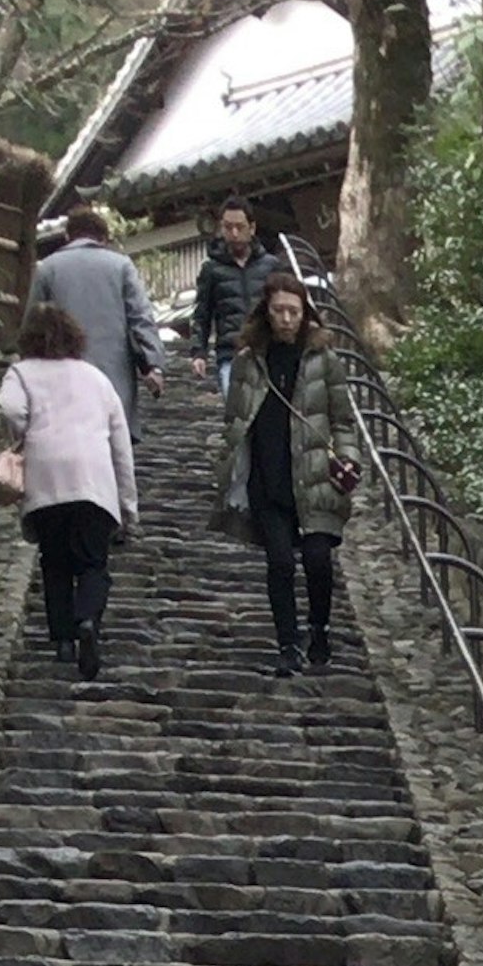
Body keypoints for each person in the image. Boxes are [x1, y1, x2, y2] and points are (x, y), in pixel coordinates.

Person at [215, 269, 351, 674]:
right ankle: (288, 643)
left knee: (318, 561)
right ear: (267, 312)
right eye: (279, 311)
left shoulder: (325, 360)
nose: (287, 319)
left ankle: (320, 628)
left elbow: (342, 418)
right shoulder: (248, 362)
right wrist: (229, 461)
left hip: (316, 478)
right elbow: (234, 419)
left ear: (305, 313)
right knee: (279, 562)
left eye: (294, 311)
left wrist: (347, 458)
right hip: (268, 477)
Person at [0, 294, 136, 679]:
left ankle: (62, 641)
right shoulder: (96, 377)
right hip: (93, 480)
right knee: (94, 563)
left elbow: (9, 408)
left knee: (54, 562)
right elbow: (120, 445)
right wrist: (128, 504)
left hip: (46, 478)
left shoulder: (21, 373)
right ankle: (88, 619)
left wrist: (23, 435)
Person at [31, 202, 160, 412]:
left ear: (67, 236)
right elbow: (140, 317)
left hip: (62, 379)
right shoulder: (121, 266)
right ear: (103, 238)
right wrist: (153, 365)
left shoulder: (47, 269)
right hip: (115, 379)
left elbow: (34, 327)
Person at [190, 196, 276, 385]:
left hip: (268, 352)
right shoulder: (211, 270)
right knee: (236, 412)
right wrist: (199, 353)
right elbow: (202, 314)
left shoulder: (271, 266)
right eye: (228, 227)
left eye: (240, 227)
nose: (234, 233)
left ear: (252, 228)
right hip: (231, 354)